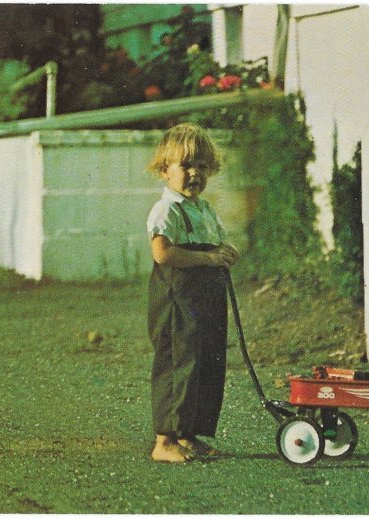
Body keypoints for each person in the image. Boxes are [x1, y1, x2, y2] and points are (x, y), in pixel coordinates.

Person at [145, 123, 240, 463]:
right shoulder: (167, 210)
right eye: (185, 165)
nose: (194, 173)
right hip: (177, 299)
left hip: (206, 297)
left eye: (201, 166)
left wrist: (225, 252)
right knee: (178, 361)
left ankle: (190, 433)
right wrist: (207, 258)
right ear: (164, 170)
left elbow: (215, 245)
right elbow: (163, 254)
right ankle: (164, 440)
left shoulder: (204, 209)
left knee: (206, 360)